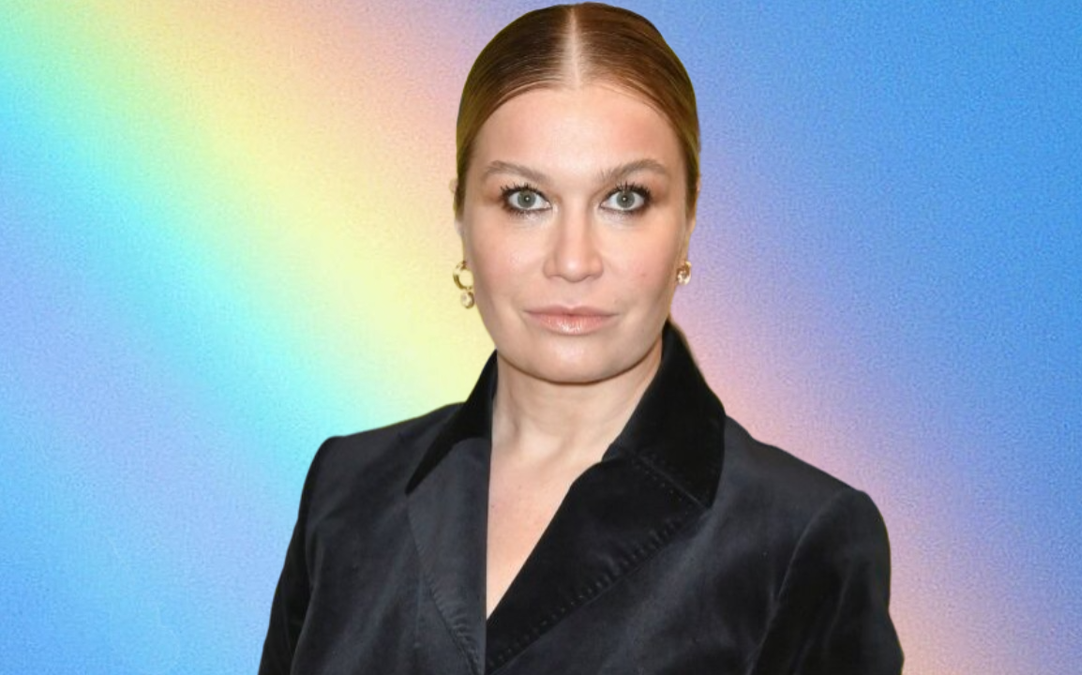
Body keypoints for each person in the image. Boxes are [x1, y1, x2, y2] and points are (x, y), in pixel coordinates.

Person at [259, 3, 902, 673]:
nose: (573, 260)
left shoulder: (803, 539)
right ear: (461, 214)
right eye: (524, 198)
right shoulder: (346, 489)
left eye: (625, 198)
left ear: (688, 217)